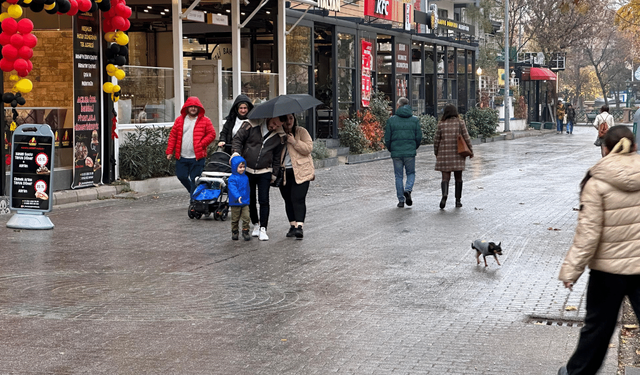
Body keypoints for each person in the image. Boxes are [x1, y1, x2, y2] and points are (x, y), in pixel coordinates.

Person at [557, 125, 640, 375]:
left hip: (607, 272)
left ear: (605, 149)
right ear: (634, 147)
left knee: (597, 331)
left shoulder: (596, 182)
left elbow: (588, 234)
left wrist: (571, 270)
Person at [232, 115, 286, 241]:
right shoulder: (251, 124)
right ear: (269, 118)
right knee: (250, 199)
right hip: (247, 169)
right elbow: (237, 139)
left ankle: (263, 228)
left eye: (278, 126)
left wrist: (274, 174)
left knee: (264, 200)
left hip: (265, 170)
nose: (274, 127)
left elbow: (277, 157)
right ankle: (255, 224)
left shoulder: (279, 136)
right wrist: (236, 154)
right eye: (273, 123)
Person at [166, 96, 216, 200]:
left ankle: (194, 202)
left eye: (195, 106)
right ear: (186, 107)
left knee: (195, 179)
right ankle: (193, 192)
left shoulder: (205, 120)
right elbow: (173, 136)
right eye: (191, 106)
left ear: (199, 108)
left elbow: (212, 134)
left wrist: (201, 144)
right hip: (182, 156)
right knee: (181, 176)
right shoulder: (180, 120)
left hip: (197, 157)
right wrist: (170, 151)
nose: (193, 108)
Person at [278, 114, 315, 239]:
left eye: (291, 118)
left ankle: (300, 227)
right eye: (286, 119)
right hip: (284, 172)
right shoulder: (278, 134)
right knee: (288, 199)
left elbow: (308, 149)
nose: (289, 121)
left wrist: (294, 142)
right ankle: (292, 225)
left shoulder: (301, 132)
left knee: (298, 198)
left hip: (301, 171)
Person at [384, 97, 422, 208]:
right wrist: (414, 147)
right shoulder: (414, 120)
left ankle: (401, 200)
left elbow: (387, 138)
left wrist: (391, 148)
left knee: (398, 176)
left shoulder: (391, 120)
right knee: (411, 173)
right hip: (409, 152)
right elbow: (418, 136)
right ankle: (408, 189)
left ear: (398, 106)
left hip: (396, 152)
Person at [434, 104, 473, 209]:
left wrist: (436, 152)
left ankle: (444, 195)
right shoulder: (460, 123)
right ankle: (458, 201)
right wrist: (471, 151)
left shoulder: (441, 124)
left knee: (445, 178)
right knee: (458, 178)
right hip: (458, 154)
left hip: (444, 154)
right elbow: (466, 137)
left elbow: (436, 140)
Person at [228, 155, 251, 241]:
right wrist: (238, 197)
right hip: (235, 202)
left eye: (243, 167)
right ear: (235, 167)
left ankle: (245, 230)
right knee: (235, 218)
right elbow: (233, 189)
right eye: (240, 167)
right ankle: (234, 231)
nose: (242, 169)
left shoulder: (245, 177)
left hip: (244, 201)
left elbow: (247, 189)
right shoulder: (232, 179)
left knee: (246, 217)